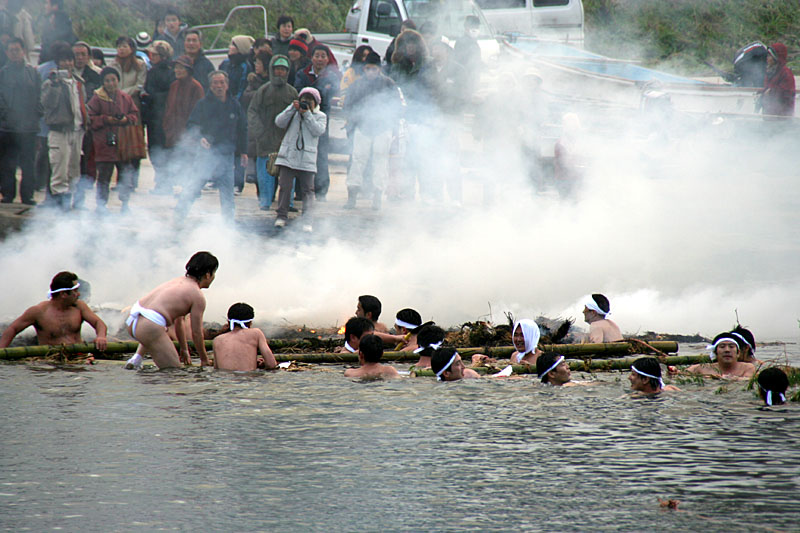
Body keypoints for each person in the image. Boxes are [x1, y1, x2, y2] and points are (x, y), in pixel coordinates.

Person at [124, 251, 217, 370]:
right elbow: (197, 333)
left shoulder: (177, 281)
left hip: (134, 319)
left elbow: (179, 322)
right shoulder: (197, 295)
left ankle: (136, 359)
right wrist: (204, 359)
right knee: (173, 373)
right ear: (208, 274)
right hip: (149, 326)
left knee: (161, 328)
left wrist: (184, 349)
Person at [176, 71, 247, 221]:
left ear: (227, 85)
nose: (219, 86)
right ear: (210, 85)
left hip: (226, 155)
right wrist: (200, 137)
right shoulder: (203, 104)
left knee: (227, 190)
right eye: (215, 83)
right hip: (206, 154)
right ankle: (179, 214)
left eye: (222, 82)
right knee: (195, 185)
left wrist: (244, 151)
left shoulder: (234, 104)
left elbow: (242, 128)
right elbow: (191, 124)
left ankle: (228, 224)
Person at [344, 51, 402, 210]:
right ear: (364, 69)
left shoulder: (389, 84)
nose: (371, 72)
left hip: (383, 128)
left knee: (381, 161)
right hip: (362, 128)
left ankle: (377, 198)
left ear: (379, 69)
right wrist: (354, 121)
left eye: (374, 69)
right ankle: (352, 198)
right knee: (358, 160)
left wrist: (394, 129)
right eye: (368, 68)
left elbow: (396, 108)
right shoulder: (356, 85)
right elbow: (348, 106)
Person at [0, 271, 107, 351]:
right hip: (50, 362)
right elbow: (12, 329)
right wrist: (2, 351)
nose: (78, 294)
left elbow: (99, 323)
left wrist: (101, 336)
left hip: (78, 357)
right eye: (75, 291)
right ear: (63, 294)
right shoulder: (38, 312)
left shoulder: (79, 307)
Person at [272, 86, 326, 231]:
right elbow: (279, 122)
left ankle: (308, 220)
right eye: (304, 100)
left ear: (316, 102)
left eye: (310, 100)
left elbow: (318, 131)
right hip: (288, 156)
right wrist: (292, 108)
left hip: (307, 159)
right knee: (284, 188)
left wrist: (307, 114)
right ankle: (281, 216)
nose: (306, 103)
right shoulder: (293, 112)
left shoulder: (320, 116)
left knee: (308, 191)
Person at [86, 66, 139, 214]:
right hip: (103, 144)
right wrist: (106, 119)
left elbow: (134, 114)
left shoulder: (125, 97)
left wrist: (126, 119)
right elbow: (90, 118)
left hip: (122, 143)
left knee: (124, 176)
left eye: (113, 80)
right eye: (107, 81)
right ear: (103, 82)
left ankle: (125, 204)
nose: (110, 83)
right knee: (103, 177)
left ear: (118, 81)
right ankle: (101, 206)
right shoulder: (97, 98)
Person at [40, 44, 86, 210]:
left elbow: (82, 106)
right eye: (64, 60)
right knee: (59, 172)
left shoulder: (79, 82)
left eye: (69, 60)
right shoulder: (50, 83)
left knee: (74, 171)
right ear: (57, 62)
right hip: (59, 132)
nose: (67, 63)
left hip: (77, 131)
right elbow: (47, 104)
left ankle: (69, 206)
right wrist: (55, 85)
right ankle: (58, 209)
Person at [248, 55, 297, 211]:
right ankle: (265, 203)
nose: (280, 73)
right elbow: (252, 112)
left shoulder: (292, 92)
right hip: (265, 142)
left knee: (288, 176)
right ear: (271, 70)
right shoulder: (263, 91)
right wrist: (259, 132)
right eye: (277, 69)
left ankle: (287, 204)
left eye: (283, 70)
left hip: (286, 142)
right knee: (265, 176)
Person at [293, 44, 340, 201]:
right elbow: (300, 91)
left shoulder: (332, 76)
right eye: (317, 56)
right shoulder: (302, 74)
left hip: (321, 118)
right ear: (311, 58)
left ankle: (321, 190)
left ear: (328, 59)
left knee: (321, 154)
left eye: (323, 56)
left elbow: (329, 96)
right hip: (303, 117)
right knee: (302, 152)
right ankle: (301, 191)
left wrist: (312, 90)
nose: (320, 59)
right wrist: (319, 89)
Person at [0, 37, 40, 205]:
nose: (15, 53)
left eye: (17, 49)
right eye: (11, 50)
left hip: (28, 127)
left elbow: (40, 96)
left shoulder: (33, 72)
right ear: (7, 52)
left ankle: (27, 195)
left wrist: (37, 112)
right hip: (7, 126)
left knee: (28, 164)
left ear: (23, 51)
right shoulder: (2, 73)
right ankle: (8, 194)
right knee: (7, 163)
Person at [71, 41, 102, 210]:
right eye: (76, 54)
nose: (80, 58)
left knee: (85, 163)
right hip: (68, 124)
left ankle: (80, 200)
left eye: (83, 54)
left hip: (87, 124)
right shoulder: (66, 73)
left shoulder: (95, 75)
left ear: (88, 56)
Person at [141, 40, 174, 195]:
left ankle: (165, 183)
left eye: (154, 54)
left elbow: (169, 94)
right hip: (153, 116)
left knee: (161, 151)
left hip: (162, 116)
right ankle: (162, 182)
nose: (151, 56)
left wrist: (151, 97)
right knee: (154, 150)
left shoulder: (169, 72)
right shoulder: (152, 70)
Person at [212, 303, 277, 371]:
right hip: (248, 379)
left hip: (223, 380)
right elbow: (271, 364)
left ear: (228, 322)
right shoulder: (256, 333)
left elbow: (217, 369)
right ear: (250, 322)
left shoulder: (217, 340)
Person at [162, 55, 204, 152]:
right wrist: (167, 128)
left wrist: (191, 135)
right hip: (172, 135)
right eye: (176, 67)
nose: (177, 70)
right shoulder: (174, 86)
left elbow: (199, 114)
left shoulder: (196, 87)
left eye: (181, 68)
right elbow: (168, 109)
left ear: (188, 70)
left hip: (189, 138)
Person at [685, 332, 756, 379]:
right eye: (722, 346)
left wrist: (727, 378)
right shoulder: (701, 368)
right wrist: (674, 370)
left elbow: (747, 380)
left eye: (731, 346)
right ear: (715, 353)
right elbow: (681, 374)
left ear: (738, 353)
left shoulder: (747, 368)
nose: (727, 350)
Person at [761, 43, 795, 118]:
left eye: (769, 56)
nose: (767, 58)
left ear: (776, 58)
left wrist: (771, 92)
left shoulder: (786, 73)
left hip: (782, 116)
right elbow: (767, 90)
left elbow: (787, 94)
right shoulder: (769, 72)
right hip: (769, 114)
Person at [38, 0, 75, 64]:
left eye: (47, 4)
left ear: (55, 6)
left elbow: (56, 41)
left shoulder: (62, 21)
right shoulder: (48, 20)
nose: (45, 6)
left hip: (56, 62)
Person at [452, 15, 481, 96]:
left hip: (473, 79)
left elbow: (476, 60)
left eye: (477, 27)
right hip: (466, 81)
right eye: (472, 26)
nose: (475, 29)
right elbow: (460, 62)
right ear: (466, 27)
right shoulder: (462, 42)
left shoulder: (473, 41)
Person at [220, 35, 254, 101]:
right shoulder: (225, 63)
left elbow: (241, 90)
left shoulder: (245, 67)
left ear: (240, 49)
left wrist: (233, 104)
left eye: (233, 45)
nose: (229, 47)